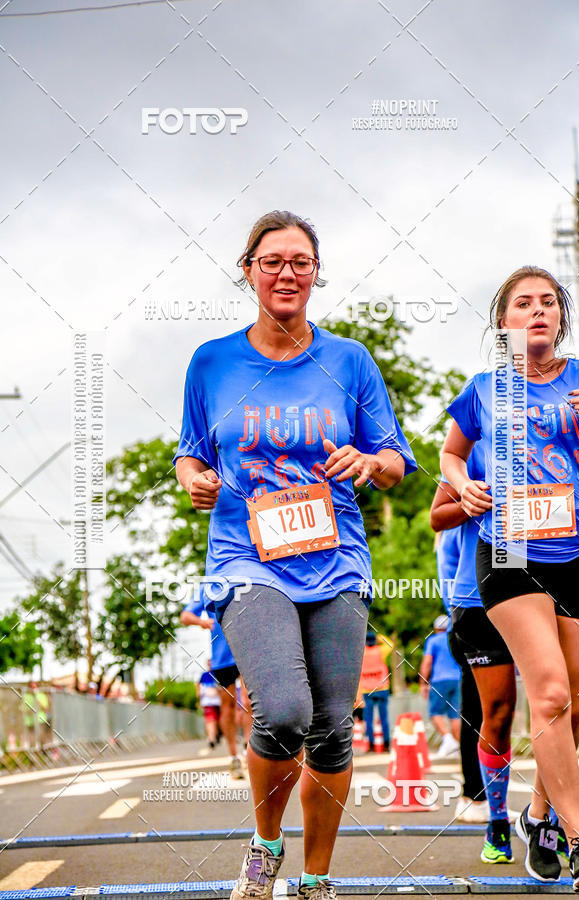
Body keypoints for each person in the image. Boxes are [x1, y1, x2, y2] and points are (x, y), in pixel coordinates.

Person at [174, 210, 416, 900]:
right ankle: (265, 844)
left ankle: (316, 878)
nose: (287, 273)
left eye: (300, 262)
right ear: (248, 270)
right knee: (282, 711)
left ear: (316, 273)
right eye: (272, 261)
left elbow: (396, 461)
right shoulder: (212, 362)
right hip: (246, 557)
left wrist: (368, 462)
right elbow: (191, 452)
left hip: (336, 559)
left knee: (334, 729)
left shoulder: (350, 361)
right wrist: (195, 480)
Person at [441, 265, 579, 892]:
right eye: (524, 303)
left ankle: (538, 816)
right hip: (509, 551)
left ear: (561, 316)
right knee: (551, 693)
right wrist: (462, 486)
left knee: (575, 702)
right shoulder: (487, 389)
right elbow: (452, 454)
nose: (538, 311)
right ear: (503, 321)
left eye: (548, 302)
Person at [432, 443, 530, 863]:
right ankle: (490, 813)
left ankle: (548, 819)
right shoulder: (477, 446)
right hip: (477, 602)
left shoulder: (567, 438)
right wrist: (473, 501)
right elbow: (439, 523)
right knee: (491, 712)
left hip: (546, 590)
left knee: (558, 706)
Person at [431, 514, 488, 825]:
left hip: (473, 618)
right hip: (471, 617)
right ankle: (474, 795)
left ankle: (479, 795)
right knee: (478, 714)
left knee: (485, 712)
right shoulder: (458, 528)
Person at [180, 597, 251, 778]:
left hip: (247, 651)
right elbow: (185, 616)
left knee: (248, 701)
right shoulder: (208, 586)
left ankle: (249, 751)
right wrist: (201, 622)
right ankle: (234, 757)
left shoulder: (247, 581)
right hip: (222, 658)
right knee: (227, 706)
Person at [419, 615, 462, 756]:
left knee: (435, 713)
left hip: (439, 680)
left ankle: (448, 739)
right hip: (458, 679)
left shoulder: (433, 641)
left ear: (436, 628)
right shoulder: (455, 638)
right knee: (455, 715)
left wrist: (423, 682)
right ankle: (457, 747)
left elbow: (427, 662)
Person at [359, 631, 390, 752]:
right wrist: (379, 636)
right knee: (384, 718)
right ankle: (386, 744)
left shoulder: (361, 653)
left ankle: (371, 745)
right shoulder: (381, 651)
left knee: (368, 719)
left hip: (367, 690)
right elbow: (390, 644)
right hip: (382, 688)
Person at [22, 681, 51, 748]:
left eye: (35, 687)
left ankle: (43, 750)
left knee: (41, 737)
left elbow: (46, 708)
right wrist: (29, 710)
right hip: (30, 721)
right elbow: (22, 709)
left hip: (40, 720)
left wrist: (39, 703)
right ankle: (34, 751)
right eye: (32, 687)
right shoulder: (25, 696)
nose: (33, 689)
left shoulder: (41, 695)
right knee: (32, 739)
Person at [198, 668, 222, 748]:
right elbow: (198, 686)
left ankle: (215, 735)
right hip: (208, 703)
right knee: (210, 720)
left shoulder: (219, 673)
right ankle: (212, 738)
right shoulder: (204, 675)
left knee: (216, 721)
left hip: (218, 703)